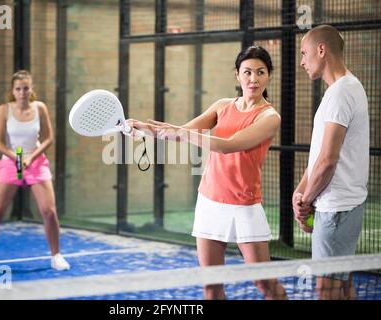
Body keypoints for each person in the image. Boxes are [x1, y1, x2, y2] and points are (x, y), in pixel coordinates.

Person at [129, 46, 287, 300]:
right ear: (237, 75)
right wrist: (142, 128)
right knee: (211, 285)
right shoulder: (222, 106)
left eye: (260, 72)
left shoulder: (270, 117)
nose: (253, 79)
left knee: (264, 283)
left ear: (268, 76)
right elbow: (183, 132)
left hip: (244, 205)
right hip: (210, 203)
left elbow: (228, 145)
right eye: (247, 72)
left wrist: (179, 132)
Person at [0, 70, 70, 272]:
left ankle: (56, 256)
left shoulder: (40, 108)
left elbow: (48, 138)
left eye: (26, 88)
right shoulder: (4, 110)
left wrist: (31, 157)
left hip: (36, 163)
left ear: (32, 90)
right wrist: (16, 158)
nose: (22, 92)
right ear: (12, 91)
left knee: (49, 211)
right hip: (10, 163)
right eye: (18, 89)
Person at [292, 25, 369, 299]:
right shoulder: (342, 89)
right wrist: (300, 192)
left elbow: (328, 161)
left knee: (327, 291)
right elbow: (319, 156)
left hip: (335, 210)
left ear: (321, 50)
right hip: (340, 208)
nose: (301, 61)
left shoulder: (341, 92)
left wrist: (307, 201)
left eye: (304, 53)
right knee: (344, 288)